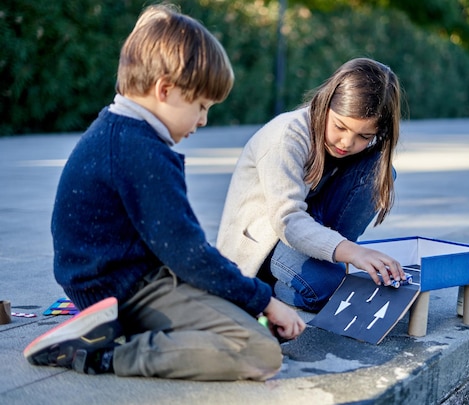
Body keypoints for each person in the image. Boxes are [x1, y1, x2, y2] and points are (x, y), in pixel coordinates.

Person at [23, 3, 305, 381]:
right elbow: (190, 255)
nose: (203, 120)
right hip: (126, 291)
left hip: (109, 283)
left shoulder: (117, 130)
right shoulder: (141, 151)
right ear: (165, 89)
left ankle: (123, 337)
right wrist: (265, 300)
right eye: (201, 106)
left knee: (239, 318)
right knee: (258, 351)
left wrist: (242, 300)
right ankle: (107, 354)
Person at [217, 58, 406, 312]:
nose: (347, 142)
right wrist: (354, 253)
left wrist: (351, 254)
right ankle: (271, 289)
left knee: (380, 172)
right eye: (340, 126)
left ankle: (325, 267)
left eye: (364, 136)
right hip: (268, 243)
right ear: (326, 103)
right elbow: (288, 221)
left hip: (308, 231)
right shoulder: (287, 137)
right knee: (326, 289)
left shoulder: (348, 143)